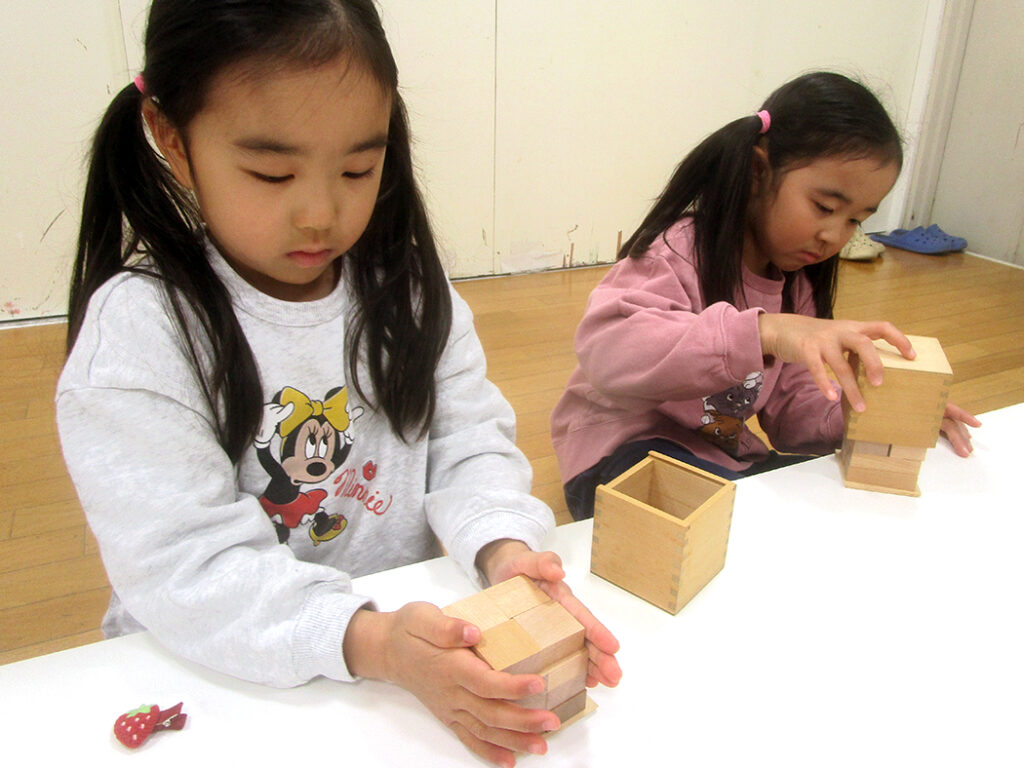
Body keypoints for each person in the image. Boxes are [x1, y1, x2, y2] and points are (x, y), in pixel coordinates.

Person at [56, 2, 619, 765]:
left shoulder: (408, 290)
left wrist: (502, 547)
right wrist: (373, 641)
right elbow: (188, 569)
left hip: (399, 664)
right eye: (272, 173)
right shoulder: (141, 332)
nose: (321, 214)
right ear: (171, 138)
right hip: (217, 678)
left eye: (357, 169)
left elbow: (468, 440)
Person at [551, 72, 980, 521]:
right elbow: (608, 351)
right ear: (758, 172)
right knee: (740, 520)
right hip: (620, 449)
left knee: (817, 505)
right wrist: (764, 331)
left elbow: (793, 411)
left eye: (855, 220)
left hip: (721, 457)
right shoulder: (676, 250)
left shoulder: (798, 284)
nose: (834, 235)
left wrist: (865, 415)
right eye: (825, 207)